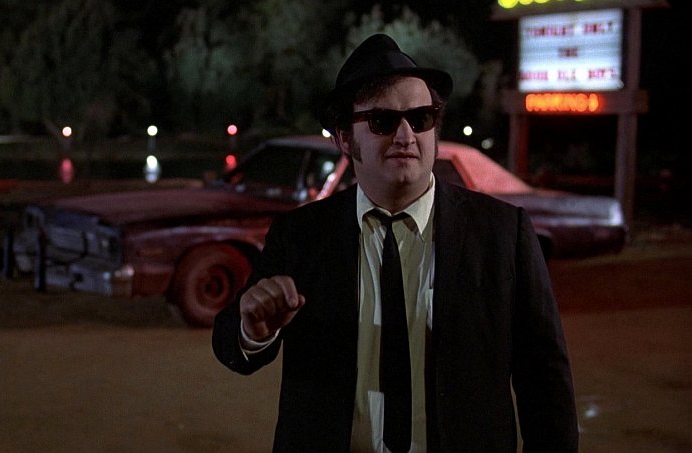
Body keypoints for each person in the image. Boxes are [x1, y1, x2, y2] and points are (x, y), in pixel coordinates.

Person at [212, 33, 578, 452]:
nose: (406, 135)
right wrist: (253, 330)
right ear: (344, 138)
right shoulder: (301, 235)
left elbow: (545, 379)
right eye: (383, 121)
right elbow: (231, 342)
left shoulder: (502, 232)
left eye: (421, 119)